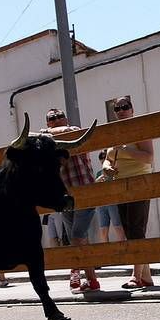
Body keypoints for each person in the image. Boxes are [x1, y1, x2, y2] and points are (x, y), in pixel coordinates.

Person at [41, 108, 100, 293]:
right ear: (48, 122)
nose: (57, 120)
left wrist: (45, 134)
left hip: (84, 192)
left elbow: (69, 132)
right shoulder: (47, 144)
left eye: (60, 116)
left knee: (77, 236)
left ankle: (75, 270)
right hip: (65, 196)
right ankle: (92, 280)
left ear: (66, 119)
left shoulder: (73, 130)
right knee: (78, 238)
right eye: (52, 118)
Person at [101, 97, 155, 289]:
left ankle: (135, 276)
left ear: (132, 109)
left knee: (136, 230)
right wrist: (107, 167)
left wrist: (125, 150)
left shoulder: (138, 129)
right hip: (120, 186)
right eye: (118, 108)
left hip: (139, 183)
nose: (122, 110)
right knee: (129, 229)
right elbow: (108, 158)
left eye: (126, 107)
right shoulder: (114, 133)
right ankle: (146, 276)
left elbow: (149, 157)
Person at [94, 149, 126, 244]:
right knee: (103, 231)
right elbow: (95, 190)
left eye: (104, 157)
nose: (102, 160)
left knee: (118, 228)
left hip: (113, 202)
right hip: (101, 204)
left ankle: (122, 252)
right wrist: (97, 182)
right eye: (101, 158)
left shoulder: (115, 170)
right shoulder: (99, 173)